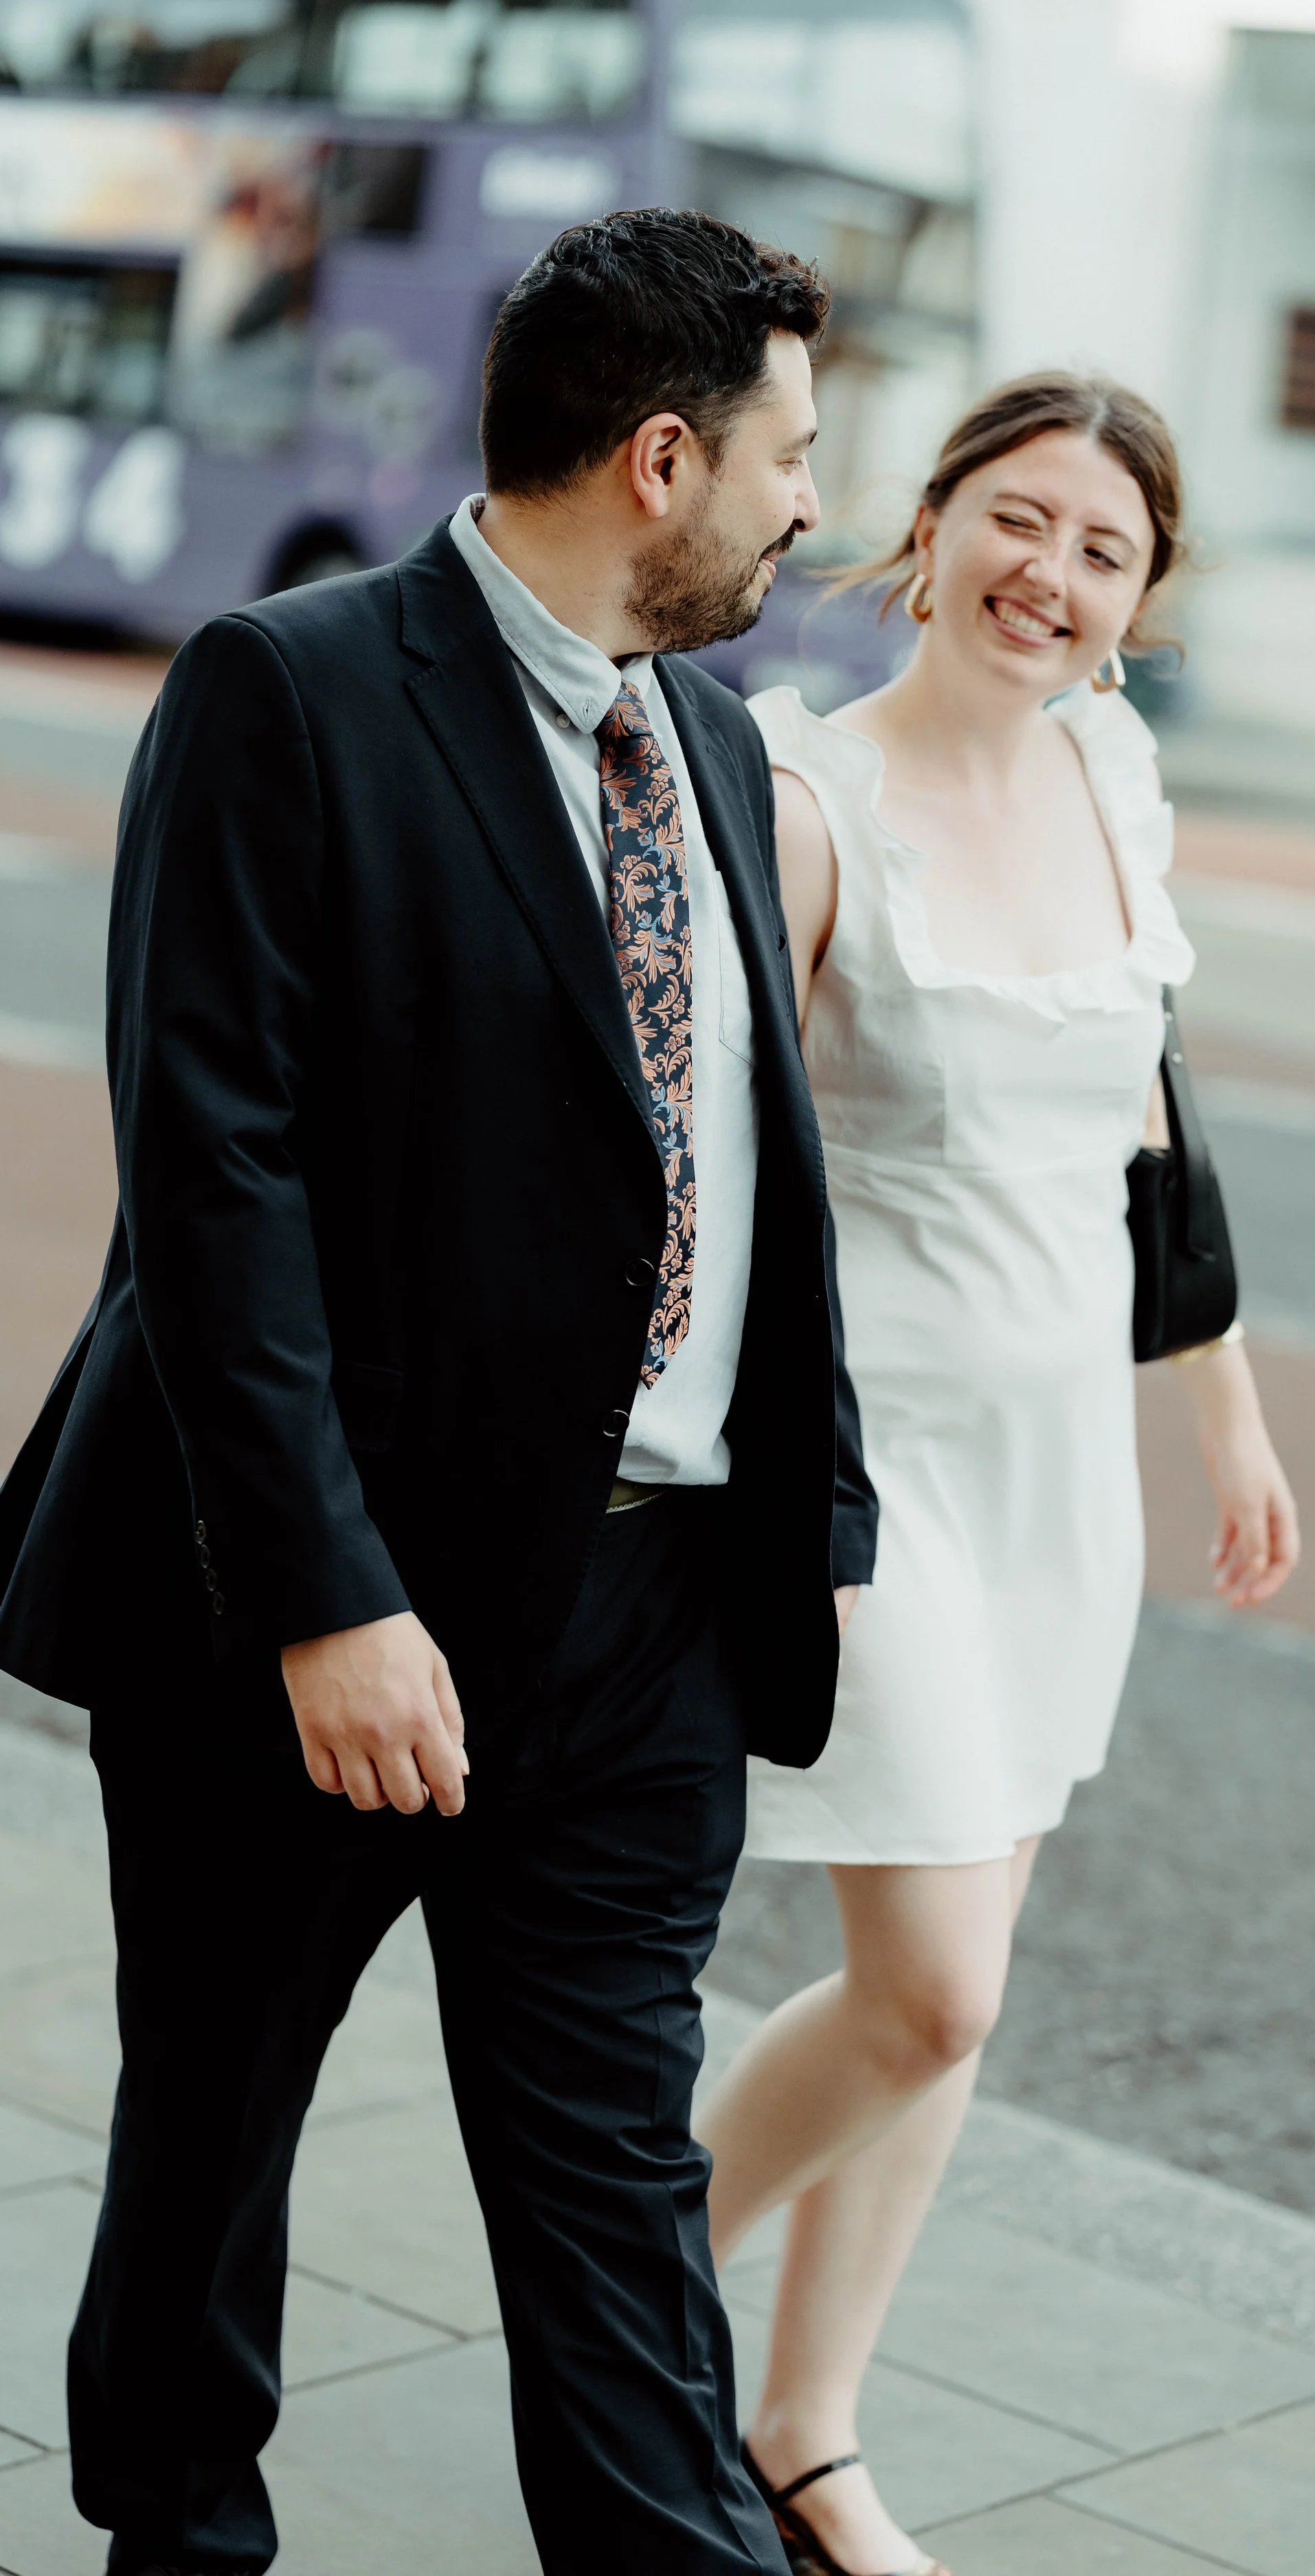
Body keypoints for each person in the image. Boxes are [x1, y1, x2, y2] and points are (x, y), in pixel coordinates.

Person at [0, 208, 878, 2576]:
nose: (819, 505)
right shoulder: (282, 690)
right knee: (211, 2143)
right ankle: (175, 2544)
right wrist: (324, 1598)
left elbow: (733, 1157)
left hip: (646, 1618)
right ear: (664, 455)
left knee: (610, 2177)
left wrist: (809, 1522)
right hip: (322, 1615)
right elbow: (214, 1179)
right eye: (795, 455)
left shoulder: (703, 722)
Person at [698, 374, 1301, 2576]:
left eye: (1104, 549)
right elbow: (702, 1172)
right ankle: (627, 2303)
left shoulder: (1110, 772)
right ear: (930, 524)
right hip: (881, 1470)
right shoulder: (802, 792)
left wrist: (1225, 1410)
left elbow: (1148, 1138)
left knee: (957, 1985)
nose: (1050, 575)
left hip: (1067, 1468)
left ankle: (810, 2429)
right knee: (926, 1981)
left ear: (1139, 603)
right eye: (1017, 519)